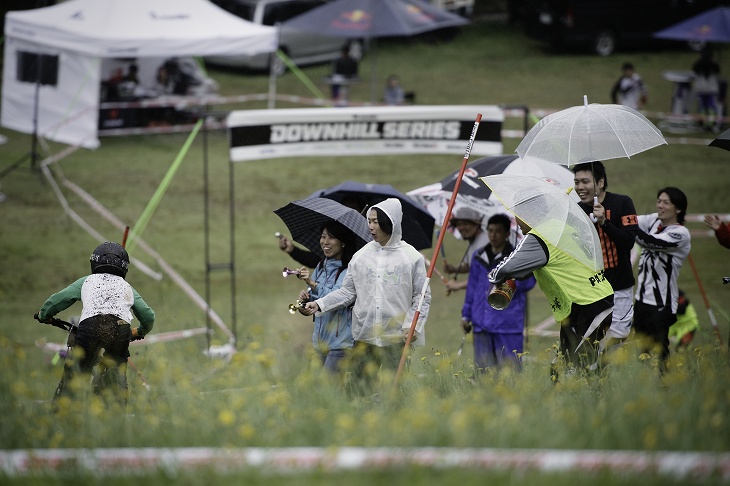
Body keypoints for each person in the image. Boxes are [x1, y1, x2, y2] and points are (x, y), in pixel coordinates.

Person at [302, 198, 430, 394]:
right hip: (364, 338)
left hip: (395, 338)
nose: (370, 226)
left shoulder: (410, 258)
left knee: (393, 392)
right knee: (359, 391)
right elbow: (347, 292)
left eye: (375, 222)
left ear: (391, 221)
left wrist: (413, 325)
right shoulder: (361, 256)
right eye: (369, 221)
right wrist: (319, 304)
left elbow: (421, 297)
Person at [488, 212, 614, 376]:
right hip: (586, 301)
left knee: (577, 370)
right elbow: (553, 261)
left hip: (587, 304)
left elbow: (506, 267)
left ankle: (592, 397)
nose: (516, 220)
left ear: (530, 211)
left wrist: (494, 277)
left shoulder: (537, 236)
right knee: (562, 369)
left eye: (518, 214)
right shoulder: (559, 226)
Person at [36, 242, 155, 408]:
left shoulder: (87, 281)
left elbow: (59, 299)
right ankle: (116, 411)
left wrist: (45, 315)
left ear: (95, 262)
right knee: (117, 368)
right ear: (124, 267)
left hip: (89, 326)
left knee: (75, 374)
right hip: (120, 328)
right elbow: (148, 316)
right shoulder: (127, 287)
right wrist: (139, 331)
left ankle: (62, 411)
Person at [572, 161, 639, 359]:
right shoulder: (575, 211)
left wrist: (605, 223)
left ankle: (602, 372)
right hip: (590, 291)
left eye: (585, 181)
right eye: (576, 182)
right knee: (589, 341)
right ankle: (593, 376)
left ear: (600, 182)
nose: (579, 187)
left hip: (619, 286)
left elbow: (628, 242)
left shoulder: (622, 203)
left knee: (618, 336)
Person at [461, 213, 536, 373]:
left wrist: (513, 274)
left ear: (507, 234)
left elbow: (529, 283)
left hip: (507, 324)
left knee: (510, 374)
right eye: (490, 231)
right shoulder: (478, 256)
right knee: (484, 375)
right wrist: (466, 315)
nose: (493, 235)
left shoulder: (517, 258)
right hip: (481, 324)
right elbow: (472, 288)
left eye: (498, 231)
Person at [633, 187, 691, 373]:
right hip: (641, 299)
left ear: (678, 209)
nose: (660, 205)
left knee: (660, 352)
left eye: (666, 202)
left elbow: (650, 242)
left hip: (662, 303)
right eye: (659, 201)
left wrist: (627, 227)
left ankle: (663, 386)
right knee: (642, 352)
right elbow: (632, 219)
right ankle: (644, 388)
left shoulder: (681, 233)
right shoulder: (654, 220)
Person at [293, 221, 356, 374]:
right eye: (323, 237)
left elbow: (338, 298)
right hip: (319, 344)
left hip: (340, 344)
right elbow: (314, 306)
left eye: (331, 237)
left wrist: (312, 283)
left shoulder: (349, 270)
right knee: (315, 392)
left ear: (342, 243)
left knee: (329, 389)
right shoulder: (320, 267)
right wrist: (304, 303)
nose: (325, 242)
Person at [444, 206, 490, 294]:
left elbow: (484, 276)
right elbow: (469, 266)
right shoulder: (473, 241)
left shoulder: (484, 243)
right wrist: (453, 268)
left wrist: (458, 285)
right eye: (459, 224)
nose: (461, 228)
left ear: (476, 224)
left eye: (465, 224)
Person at [692, 48, 722, 132]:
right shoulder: (700, 65)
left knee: (709, 108)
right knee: (704, 108)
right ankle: (705, 124)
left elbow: (717, 70)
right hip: (705, 90)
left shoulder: (709, 65)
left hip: (708, 90)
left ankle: (710, 124)